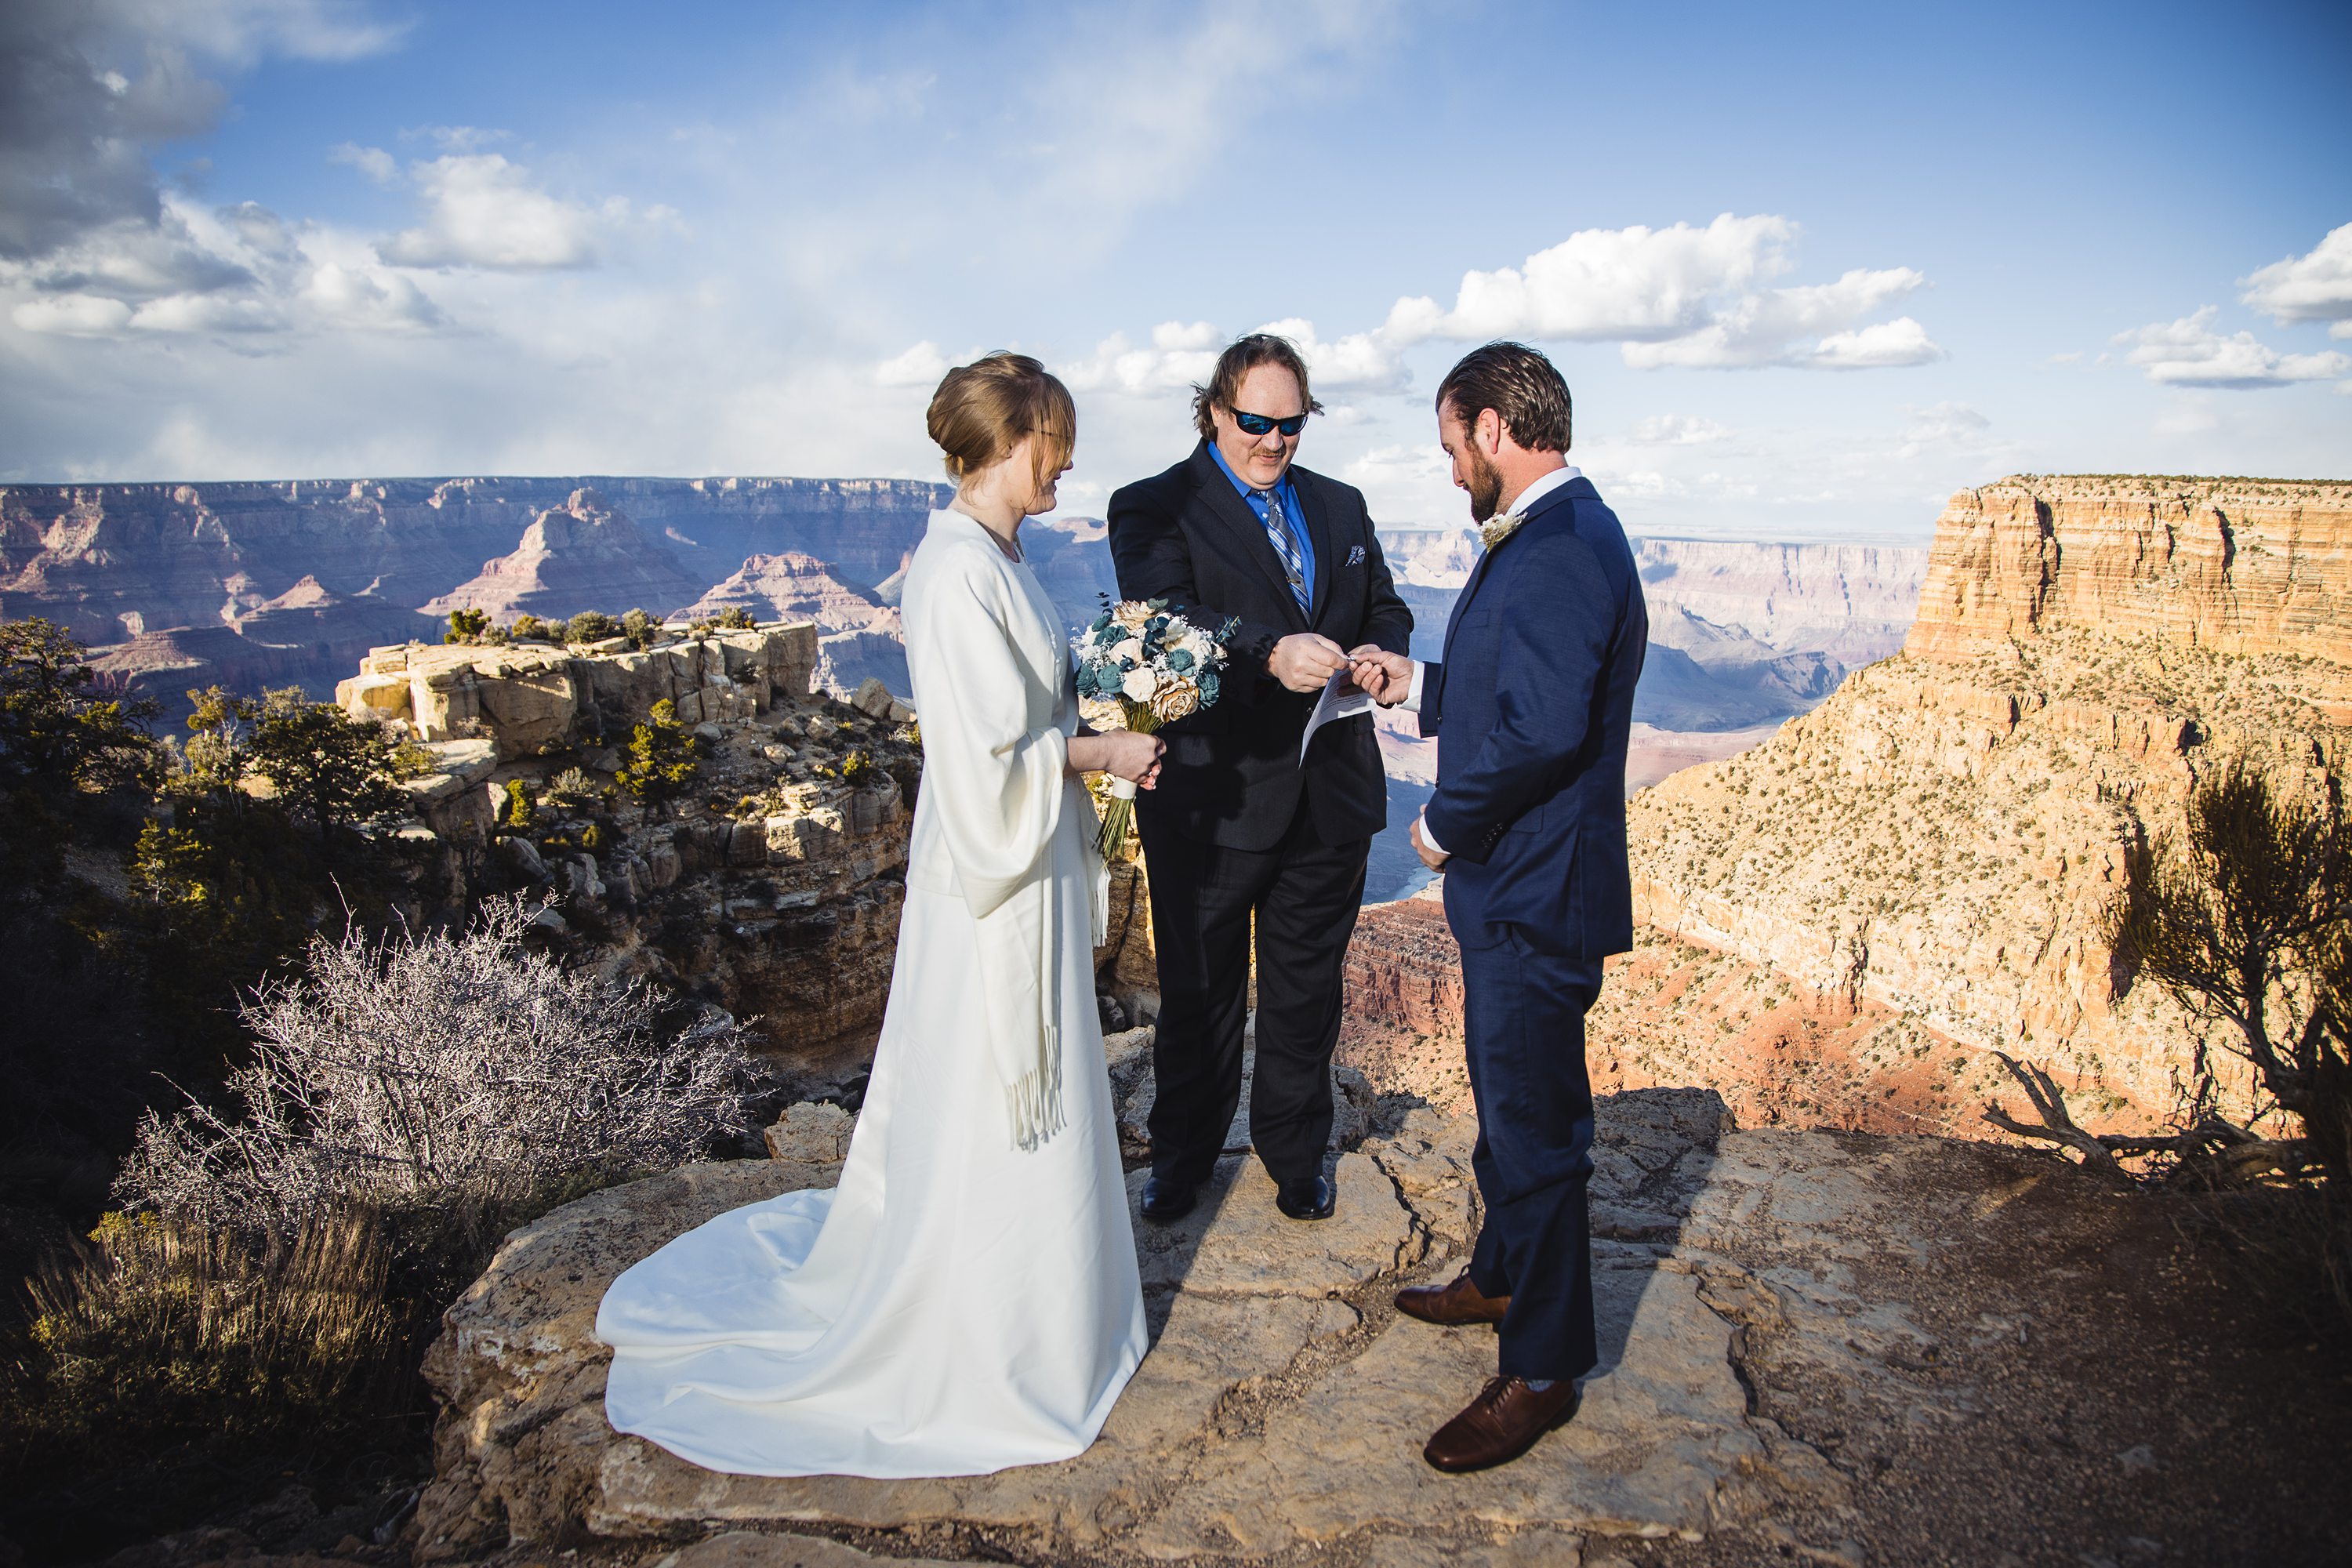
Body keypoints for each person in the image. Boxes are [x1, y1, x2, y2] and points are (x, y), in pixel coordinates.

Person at [595, 354, 1163, 1478]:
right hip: (994, 882)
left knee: (1016, 1066)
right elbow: (980, 757)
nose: (1069, 463)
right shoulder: (954, 572)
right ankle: (995, 1333)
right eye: (1059, 440)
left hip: (1029, 861)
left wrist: (1104, 703)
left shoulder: (1001, 553)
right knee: (1000, 1069)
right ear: (1017, 438)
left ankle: (1050, 1312)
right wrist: (1104, 749)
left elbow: (1021, 710)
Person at [1349, 342, 1646, 1474]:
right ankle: (1503, 1275)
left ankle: (1544, 1367)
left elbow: (1542, 733)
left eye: (1449, 445)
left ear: (1493, 428)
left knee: (1538, 1133)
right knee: (1507, 1106)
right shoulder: (1550, 533)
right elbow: (1507, 695)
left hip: (1534, 887)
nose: (1448, 469)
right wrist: (1410, 684)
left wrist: (1440, 829)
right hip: (1521, 885)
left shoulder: (1563, 547)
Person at [1105, 333, 1413, 1225]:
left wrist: (1379, 651)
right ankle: (1183, 1158)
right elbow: (1161, 621)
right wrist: (1267, 652)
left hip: (1331, 796)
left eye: (1291, 425)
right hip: (1212, 796)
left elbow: (1385, 601)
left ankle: (1295, 1157)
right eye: (1255, 422)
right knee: (1199, 994)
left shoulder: (1342, 505)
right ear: (1213, 409)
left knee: (1305, 992)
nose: (1274, 442)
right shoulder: (1153, 505)